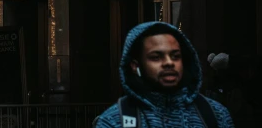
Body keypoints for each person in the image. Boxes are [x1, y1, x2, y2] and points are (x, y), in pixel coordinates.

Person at [94, 22, 235, 128]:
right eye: (156, 57)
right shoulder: (114, 121)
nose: (169, 63)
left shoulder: (216, 115)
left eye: (175, 56)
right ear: (135, 65)